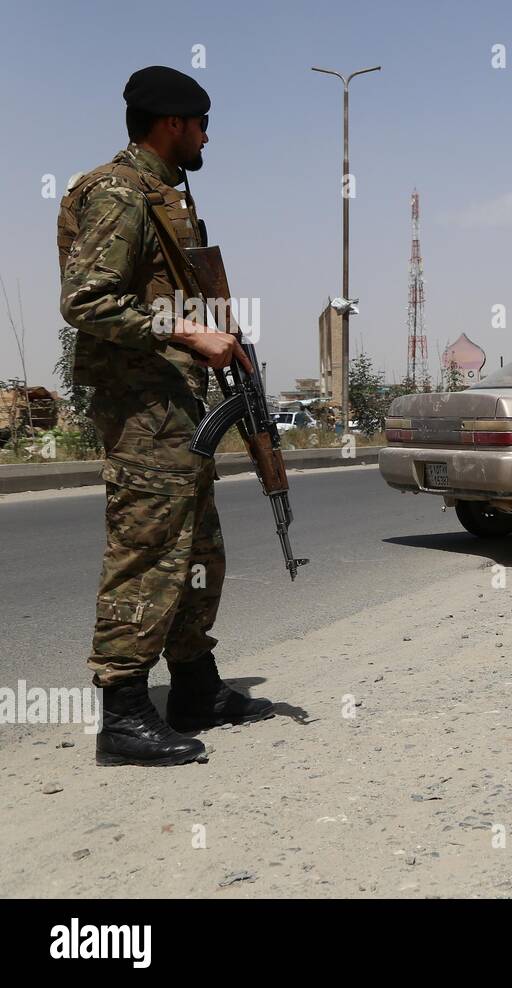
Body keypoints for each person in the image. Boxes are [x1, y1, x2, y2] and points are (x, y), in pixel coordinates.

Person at [58, 66, 273, 767]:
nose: (208, 135)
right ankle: (121, 713)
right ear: (172, 124)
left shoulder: (161, 195)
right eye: (202, 123)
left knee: (197, 552)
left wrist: (218, 341)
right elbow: (86, 301)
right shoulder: (117, 192)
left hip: (176, 405)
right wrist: (186, 332)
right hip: (141, 406)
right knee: (147, 552)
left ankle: (196, 688)